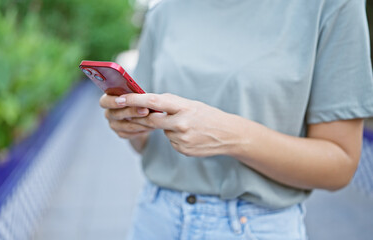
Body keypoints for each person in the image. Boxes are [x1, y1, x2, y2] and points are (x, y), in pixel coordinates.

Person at [100, 0, 373, 239]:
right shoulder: (165, 11)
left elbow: (340, 164)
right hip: (155, 217)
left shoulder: (332, 5)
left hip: (253, 225)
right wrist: (132, 125)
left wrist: (232, 136)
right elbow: (146, 145)